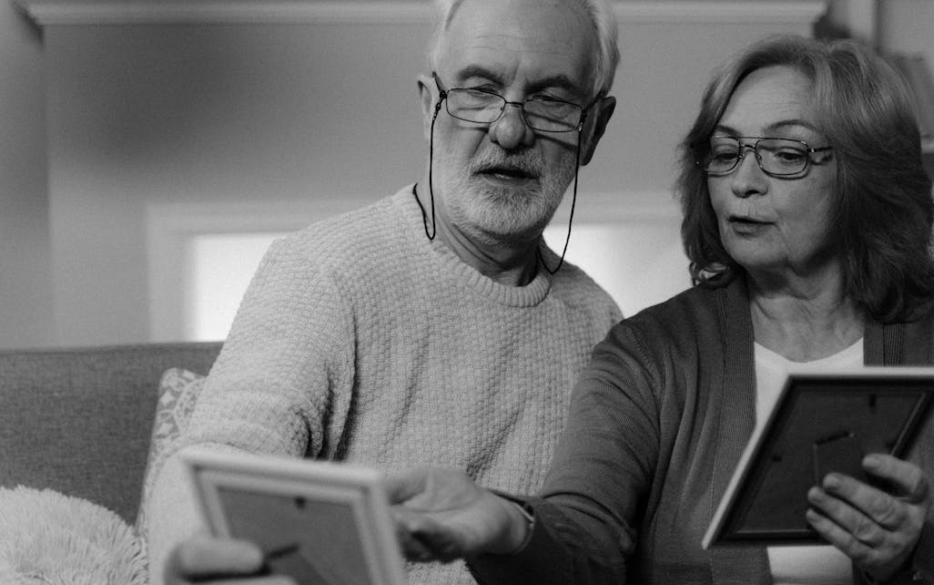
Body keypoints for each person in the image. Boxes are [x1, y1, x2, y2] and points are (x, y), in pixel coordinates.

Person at [386, 35, 934, 584]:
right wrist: (508, 527)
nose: (743, 182)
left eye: (786, 153)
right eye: (726, 153)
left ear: (865, 177)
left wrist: (917, 553)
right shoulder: (648, 354)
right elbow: (580, 550)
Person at [146, 0, 622, 583]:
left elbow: (599, 550)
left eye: (551, 98)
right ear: (430, 106)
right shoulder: (324, 271)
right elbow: (226, 454)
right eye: (478, 89)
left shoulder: (601, 325)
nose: (509, 128)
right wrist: (203, 548)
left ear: (594, 128)